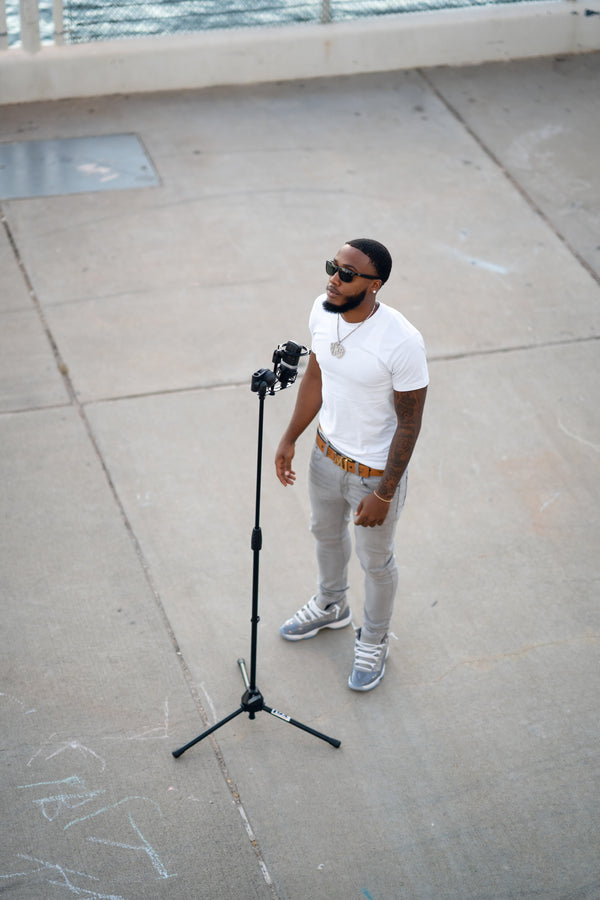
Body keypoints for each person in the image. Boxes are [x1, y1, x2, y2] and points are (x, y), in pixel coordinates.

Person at [274, 238, 429, 691]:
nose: (333, 280)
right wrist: (290, 437)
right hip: (326, 454)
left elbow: (410, 423)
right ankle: (331, 605)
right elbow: (316, 375)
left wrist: (384, 492)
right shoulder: (322, 311)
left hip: (374, 474)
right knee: (323, 534)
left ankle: (374, 639)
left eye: (346, 274)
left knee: (375, 562)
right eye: (332, 267)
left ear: (374, 284)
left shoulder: (402, 341)